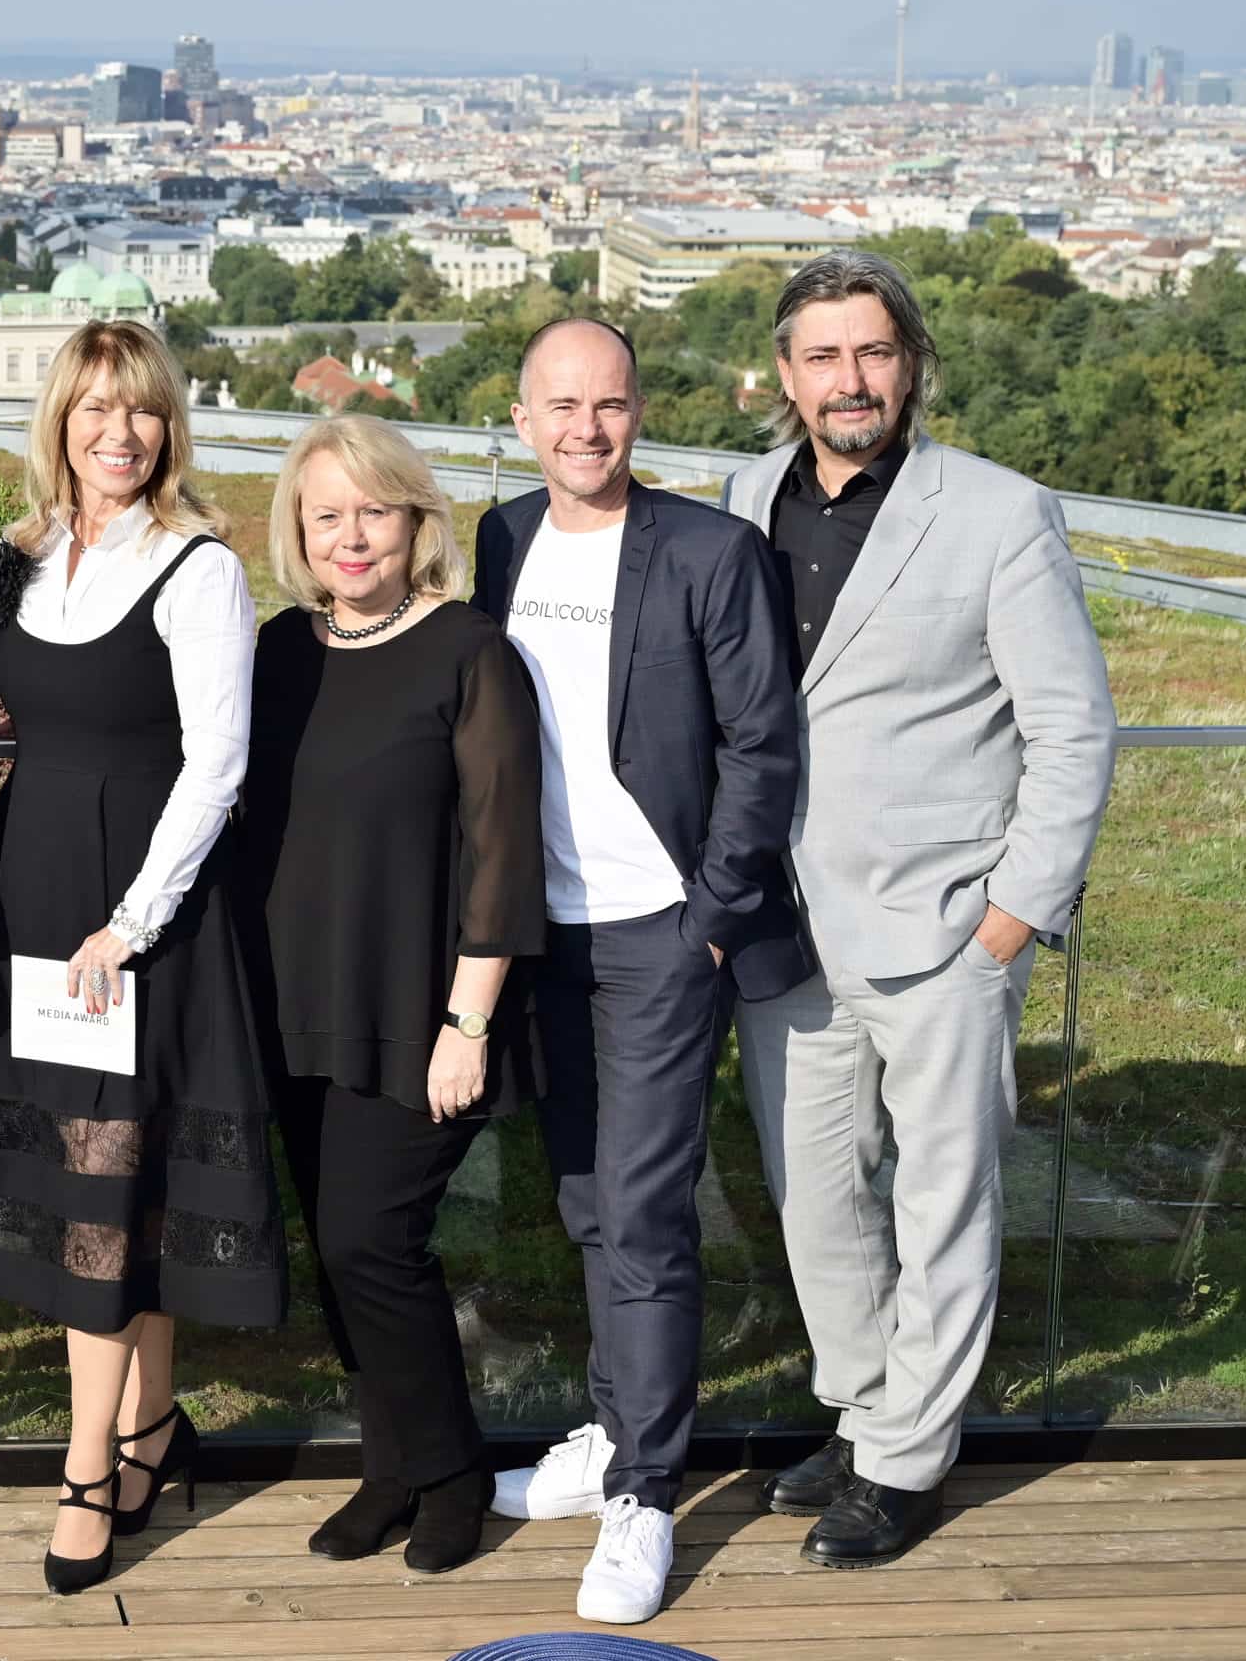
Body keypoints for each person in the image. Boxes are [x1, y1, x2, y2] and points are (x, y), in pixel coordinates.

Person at [724, 251, 1115, 1568]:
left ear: (912, 365)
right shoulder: (741, 500)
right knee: (815, 1200)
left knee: (943, 1203)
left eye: (874, 352)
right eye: (823, 356)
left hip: (947, 929)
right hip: (785, 931)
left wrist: (1012, 918)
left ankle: (906, 1462)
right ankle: (863, 1411)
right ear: (785, 377)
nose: (851, 380)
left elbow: (1072, 729)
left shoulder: (1000, 513)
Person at [0, 319, 287, 1596]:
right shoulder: (19, 559)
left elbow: (217, 765)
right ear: (60, 423)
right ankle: (150, 1424)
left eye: (139, 410)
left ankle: (86, 1469)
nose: (116, 433)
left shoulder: (197, 568)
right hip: (35, 903)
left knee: (104, 1187)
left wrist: (129, 925)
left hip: (137, 920)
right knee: (119, 1183)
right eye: (93, 409)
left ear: (167, 426)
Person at [470, 316, 804, 1625]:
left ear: (639, 412)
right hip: (540, 932)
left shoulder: (710, 552)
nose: (586, 428)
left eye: (608, 404)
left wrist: (711, 918)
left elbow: (761, 746)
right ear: (522, 420)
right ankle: (615, 1432)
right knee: (587, 1203)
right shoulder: (499, 541)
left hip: (662, 929)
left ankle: (649, 1494)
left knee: (649, 1213)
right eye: (561, 406)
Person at [237, 416, 545, 1576]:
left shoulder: (469, 652)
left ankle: (453, 1472)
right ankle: (391, 1467)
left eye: (375, 510)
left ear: (417, 522)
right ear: (298, 531)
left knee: (373, 1241)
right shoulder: (277, 651)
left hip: (420, 1009)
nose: (351, 536)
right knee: (339, 1250)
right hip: (295, 1000)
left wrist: (468, 1023)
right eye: (327, 515)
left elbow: (502, 851)